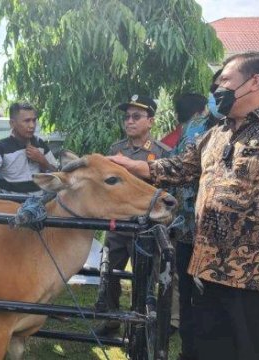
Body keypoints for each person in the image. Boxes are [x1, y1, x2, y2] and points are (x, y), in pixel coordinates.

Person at [107, 52, 259, 360]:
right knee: (201, 349)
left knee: (255, 351)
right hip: (204, 272)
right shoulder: (215, 134)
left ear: (254, 82)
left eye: (224, 80)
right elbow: (178, 169)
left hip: (255, 279)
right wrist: (126, 165)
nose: (216, 90)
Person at [94, 94, 171, 337]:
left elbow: (167, 193)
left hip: (145, 230)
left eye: (136, 116)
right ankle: (111, 319)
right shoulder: (115, 150)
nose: (129, 121)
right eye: (126, 117)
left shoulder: (162, 153)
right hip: (117, 227)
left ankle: (137, 325)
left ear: (150, 121)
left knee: (143, 280)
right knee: (108, 274)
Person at [169, 93, 213, 360]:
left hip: (191, 232)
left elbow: (175, 173)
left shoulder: (188, 131)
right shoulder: (200, 129)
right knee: (200, 297)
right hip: (200, 235)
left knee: (191, 296)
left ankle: (191, 351)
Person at [0, 102, 58, 195]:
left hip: (39, 205)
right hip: (11, 205)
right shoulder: (0, 148)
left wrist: (42, 161)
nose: (32, 125)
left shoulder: (40, 144)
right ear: (12, 123)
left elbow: (56, 174)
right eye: (27, 121)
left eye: (34, 120)